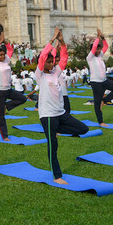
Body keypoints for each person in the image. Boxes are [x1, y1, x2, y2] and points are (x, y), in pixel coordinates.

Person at [35, 28, 89, 184]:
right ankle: (57, 176)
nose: (51, 64)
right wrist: (52, 40)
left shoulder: (56, 72)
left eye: (53, 61)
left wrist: (62, 41)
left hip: (61, 113)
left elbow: (64, 57)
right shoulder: (40, 75)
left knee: (83, 129)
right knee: (53, 145)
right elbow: (43, 56)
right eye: (49, 61)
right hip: (48, 115)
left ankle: (56, 130)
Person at [0, 32, 28, 141]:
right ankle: (5, 135)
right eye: (0, 55)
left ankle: (7, 106)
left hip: (8, 90)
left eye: (3, 55)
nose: (2, 56)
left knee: (23, 98)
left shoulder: (6, 60)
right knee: (1, 116)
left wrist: (6, 42)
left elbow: (10, 50)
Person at [87, 29, 113, 127]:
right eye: (97, 49)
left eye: (99, 49)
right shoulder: (90, 57)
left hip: (104, 81)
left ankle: (105, 101)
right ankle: (100, 121)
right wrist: (97, 38)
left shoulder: (100, 56)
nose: (98, 50)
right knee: (97, 103)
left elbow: (105, 46)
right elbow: (94, 48)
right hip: (96, 83)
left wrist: (103, 38)